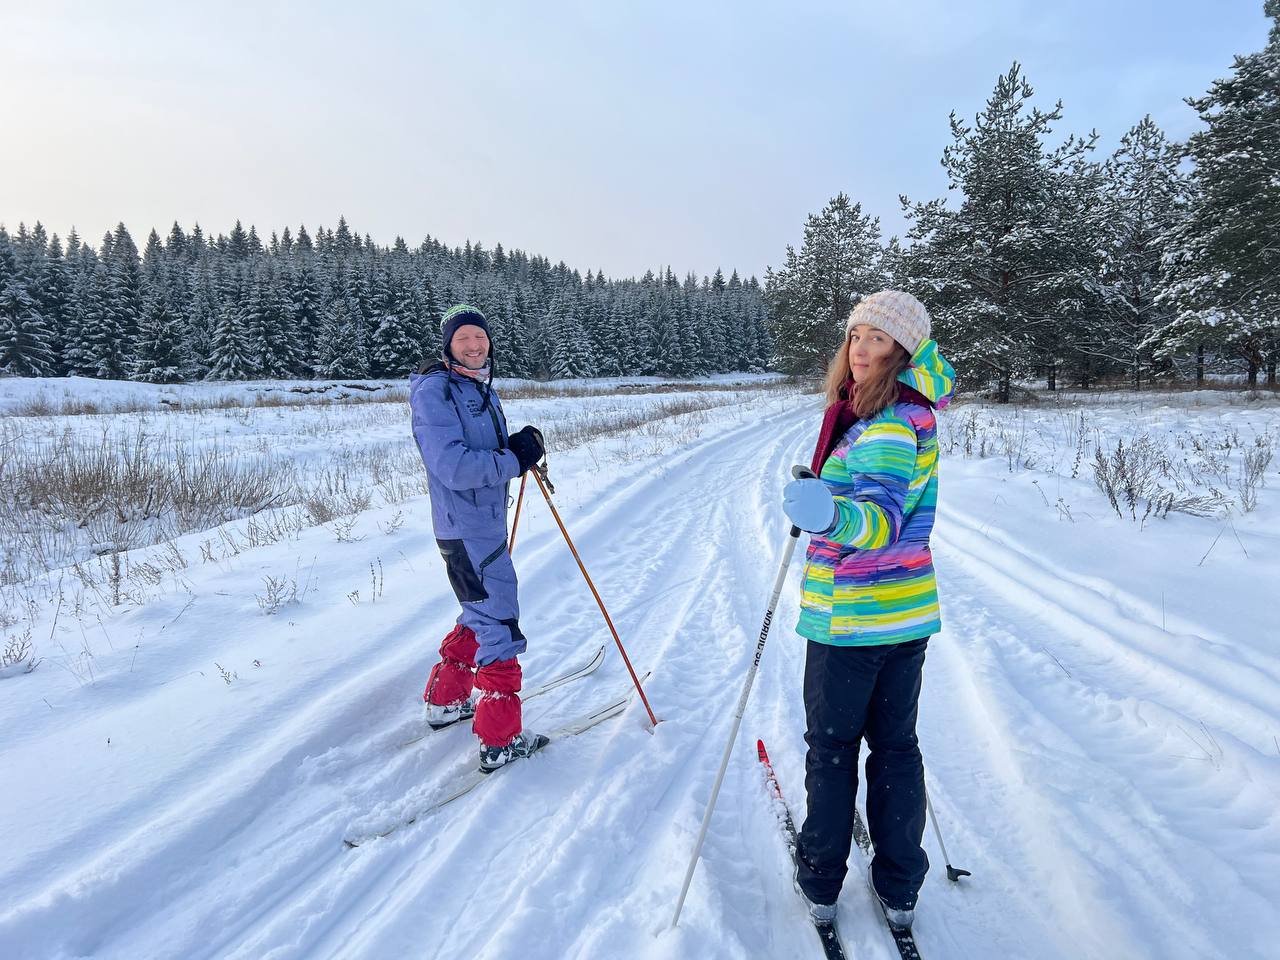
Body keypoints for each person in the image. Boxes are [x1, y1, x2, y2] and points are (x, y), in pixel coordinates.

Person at [781, 290, 956, 930]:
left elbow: (880, 520)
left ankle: (821, 881)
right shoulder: (907, 412)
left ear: (901, 351)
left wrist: (827, 512)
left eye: (878, 339)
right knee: (895, 748)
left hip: (853, 617)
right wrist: (826, 488)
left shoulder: (885, 424)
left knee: (832, 750)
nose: (861, 350)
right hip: (905, 615)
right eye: (856, 336)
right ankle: (901, 886)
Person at [409, 303, 549, 773]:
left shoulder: (478, 388)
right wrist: (514, 460)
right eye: (464, 337)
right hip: (467, 531)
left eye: (480, 337)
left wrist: (518, 447)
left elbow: (488, 451)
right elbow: (454, 466)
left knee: (480, 609)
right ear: (448, 344)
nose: (474, 345)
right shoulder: (436, 391)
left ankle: (445, 702)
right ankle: (499, 739)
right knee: (500, 624)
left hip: (479, 526)